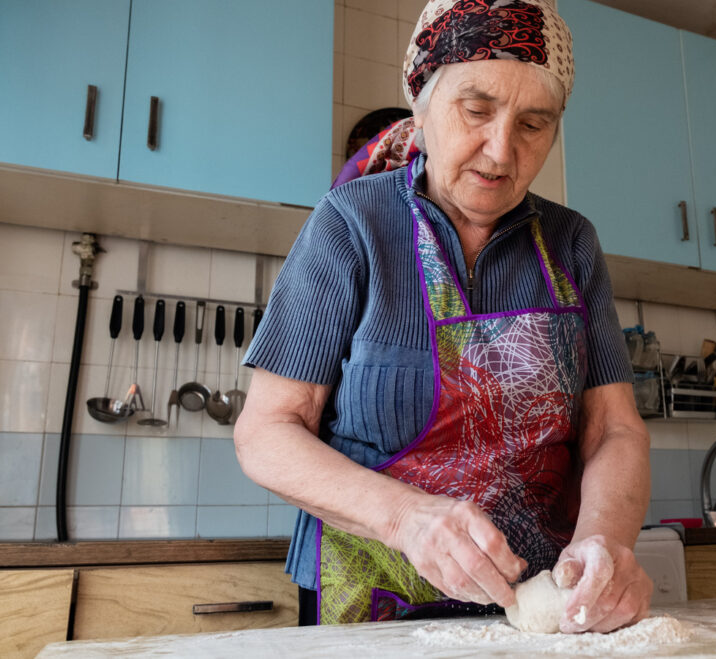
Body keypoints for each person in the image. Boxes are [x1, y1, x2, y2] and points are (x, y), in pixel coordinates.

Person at [234, 0, 651, 632]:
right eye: (477, 110)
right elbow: (266, 432)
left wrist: (604, 538)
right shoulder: (352, 223)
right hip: (369, 606)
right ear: (422, 110)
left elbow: (614, 430)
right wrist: (406, 518)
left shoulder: (571, 242)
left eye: (534, 124)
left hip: (543, 609)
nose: (501, 149)